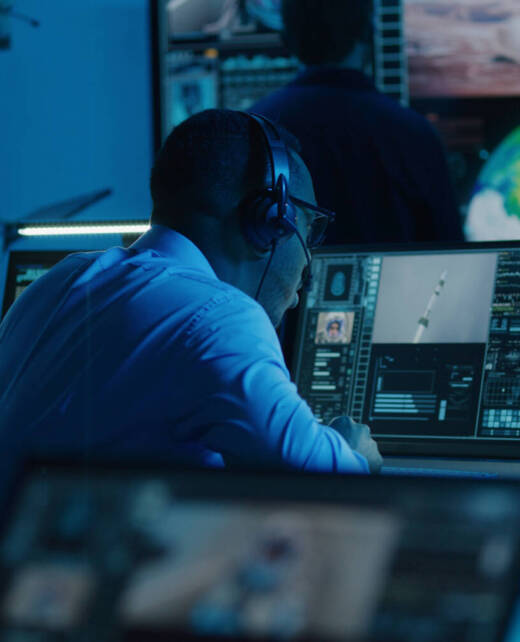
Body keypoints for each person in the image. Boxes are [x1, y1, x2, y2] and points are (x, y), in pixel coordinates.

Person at [0, 110, 382, 495]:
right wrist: (353, 450)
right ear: (271, 221)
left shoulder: (58, 281)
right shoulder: (219, 315)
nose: (307, 262)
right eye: (308, 227)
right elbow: (315, 476)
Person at [251, 0, 464, 244]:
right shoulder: (415, 135)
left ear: (286, 39)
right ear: (369, 34)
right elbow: (450, 251)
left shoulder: (257, 129)